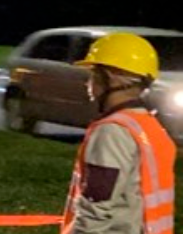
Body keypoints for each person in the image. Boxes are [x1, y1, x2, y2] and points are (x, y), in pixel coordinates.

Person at [64, 32, 175, 234]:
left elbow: (96, 207)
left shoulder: (112, 131)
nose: (88, 83)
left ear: (110, 78)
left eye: (93, 75)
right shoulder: (148, 125)